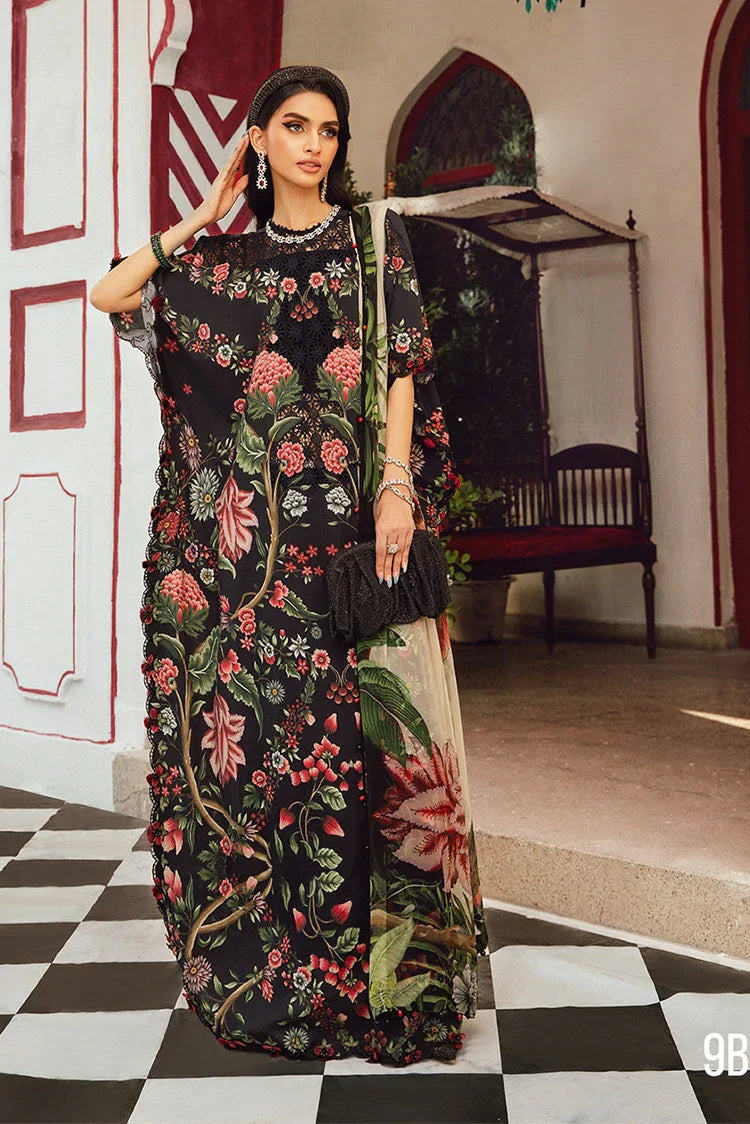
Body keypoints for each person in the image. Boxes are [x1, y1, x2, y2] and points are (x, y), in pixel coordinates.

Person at [90, 64, 488, 1068]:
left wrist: (396, 484)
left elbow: (401, 374)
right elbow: (112, 292)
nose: (316, 144)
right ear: (259, 140)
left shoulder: (371, 250)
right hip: (257, 583)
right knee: (278, 767)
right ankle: (287, 974)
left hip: (360, 557)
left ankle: (391, 983)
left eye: (330, 129)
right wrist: (199, 212)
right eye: (294, 126)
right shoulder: (218, 267)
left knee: (371, 762)